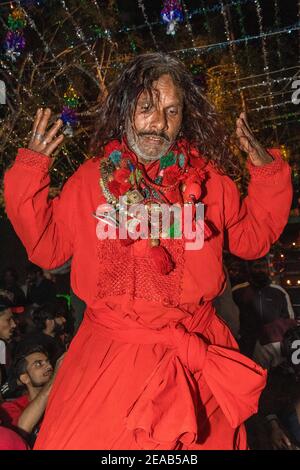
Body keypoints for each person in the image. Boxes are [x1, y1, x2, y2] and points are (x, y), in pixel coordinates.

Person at [4, 53, 293, 450]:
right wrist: (31, 170)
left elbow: (252, 238)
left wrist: (267, 176)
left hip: (195, 363)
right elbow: (47, 248)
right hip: (108, 364)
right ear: (124, 110)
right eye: (146, 107)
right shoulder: (90, 180)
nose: (158, 122)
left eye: (171, 110)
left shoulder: (210, 182)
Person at [233, 259, 296, 367]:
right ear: (249, 269)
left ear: (268, 268)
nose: (260, 270)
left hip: (275, 350)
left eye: (263, 266)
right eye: (256, 267)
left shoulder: (279, 292)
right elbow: (231, 319)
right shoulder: (237, 292)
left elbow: (289, 322)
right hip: (248, 349)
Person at [0, 345, 56, 446]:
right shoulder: (10, 408)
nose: (49, 366)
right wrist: (55, 379)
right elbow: (22, 428)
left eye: (48, 362)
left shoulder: (60, 398)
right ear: (25, 378)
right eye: (38, 364)